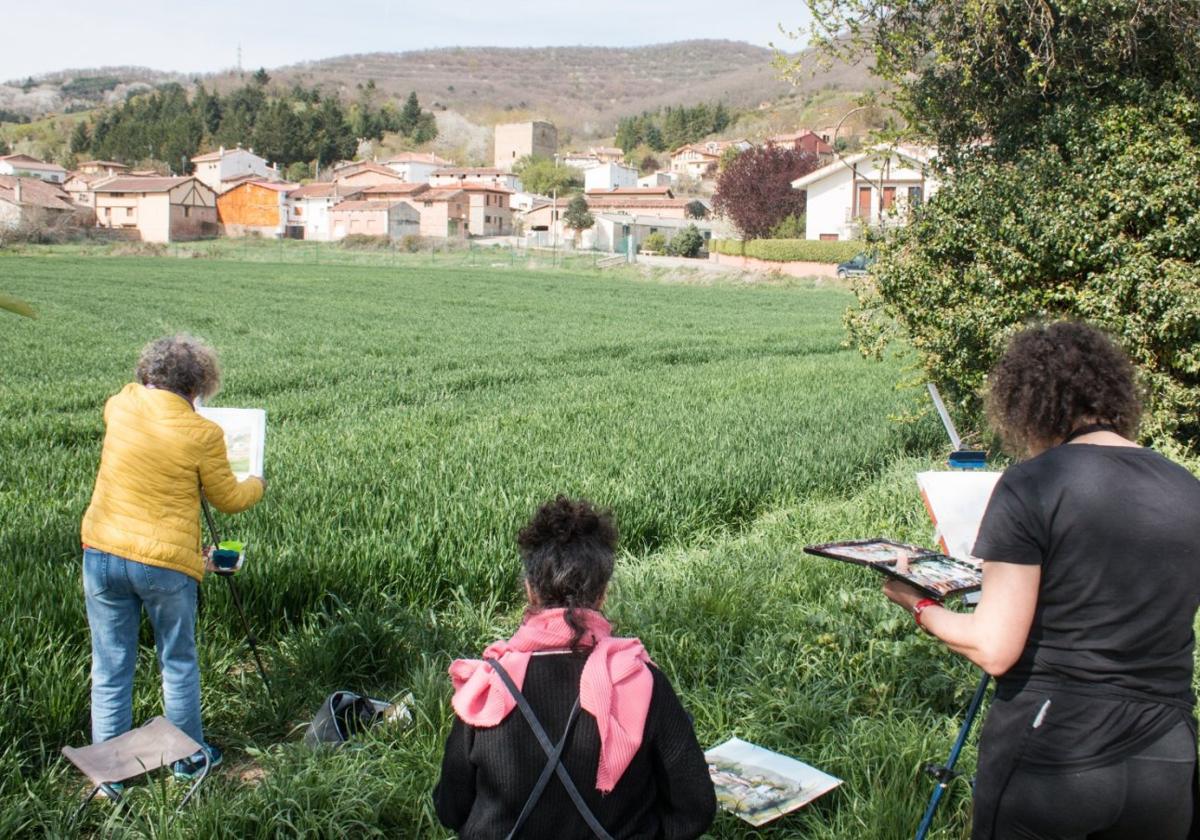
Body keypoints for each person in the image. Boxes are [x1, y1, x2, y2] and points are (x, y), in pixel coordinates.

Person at [883, 321, 1200, 840]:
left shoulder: (1033, 483)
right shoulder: (1187, 487)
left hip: (1056, 750)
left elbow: (994, 648)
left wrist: (919, 605)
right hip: (1166, 758)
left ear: (1031, 403)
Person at [433, 496, 716, 839]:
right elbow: (696, 806)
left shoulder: (489, 687)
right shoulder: (640, 680)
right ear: (603, 595)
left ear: (529, 591)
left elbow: (450, 809)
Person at [80, 334, 265, 785]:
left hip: (101, 553)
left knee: (110, 665)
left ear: (147, 373)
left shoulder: (120, 404)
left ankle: (110, 778)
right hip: (164, 565)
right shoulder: (203, 433)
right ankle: (188, 761)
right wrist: (256, 480)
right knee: (177, 661)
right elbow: (228, 499)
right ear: (200, 385)